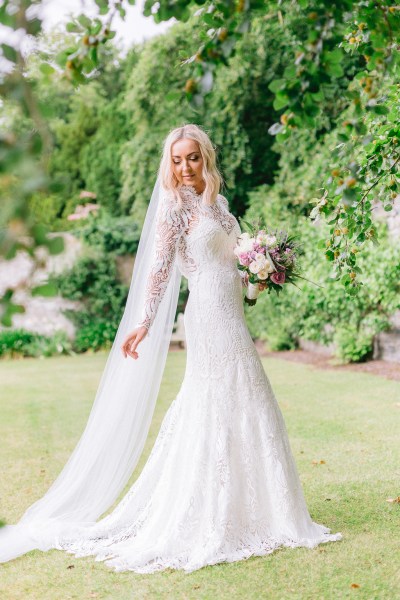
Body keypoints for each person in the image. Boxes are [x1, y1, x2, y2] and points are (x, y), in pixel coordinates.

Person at [0, 124, 341, 573]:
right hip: (205, 313)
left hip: (232, 310)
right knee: (213, 396)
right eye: (177, 160)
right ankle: (207, 511)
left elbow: (230, 260)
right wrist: (143, 321)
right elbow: (159, 269)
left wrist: (259, 271)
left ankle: (262, 509)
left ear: (206, 158)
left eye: (192, 158)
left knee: (249, 393)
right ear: (170, 163)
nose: (184, 168)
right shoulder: (174, 210)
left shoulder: (218, 203)